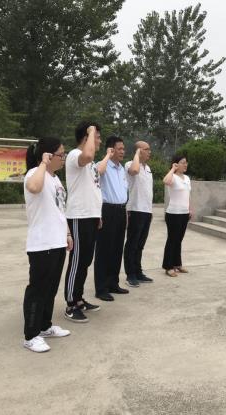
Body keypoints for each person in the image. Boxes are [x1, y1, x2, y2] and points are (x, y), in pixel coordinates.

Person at [22, 137, 72, 352]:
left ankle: (44, 326)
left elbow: (60, 208)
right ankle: (30, 335)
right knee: (38, 289)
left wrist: (67, 233)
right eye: (61, 154)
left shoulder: (56, 179)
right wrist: (42, 163)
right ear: (49, 155)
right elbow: (34, 187)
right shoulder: (35, 173)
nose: (64, 158)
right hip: (42, 244)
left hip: (57, 242)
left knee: (50, 288)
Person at [63, 122, 103, 323]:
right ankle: (70, 304)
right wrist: (91, 130)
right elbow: (87, 155)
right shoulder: (74, 155)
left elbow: (94, 189)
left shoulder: (92, 164)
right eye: (97, 137)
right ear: (87, 137)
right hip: (79, 216)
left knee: (86, 261)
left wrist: (98, 214)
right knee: (77, 261)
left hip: (91, 216)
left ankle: (78, 299)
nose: (100, 141)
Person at [94, 136, 129, 301]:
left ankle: (113, 283)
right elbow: (98, 172)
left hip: (121, 210)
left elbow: (123, 191)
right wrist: (107, 156)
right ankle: (101, 288)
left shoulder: (121, 169)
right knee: (104, 250)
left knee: (117, 249)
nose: (123, 151)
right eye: (119, 148)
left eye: (123, 149)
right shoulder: (103, 165)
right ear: (111, 149)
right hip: (107, 210)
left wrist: (125, 211)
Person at [124, 141, 154, 286]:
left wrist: (151, 211)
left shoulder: (148, 168)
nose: (150, 152)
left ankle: (138, 272)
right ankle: (130, 275)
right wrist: (136, 154)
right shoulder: (130, 164)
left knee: (140, 244)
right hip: (135, 210)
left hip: (146, 211)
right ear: (139, 151)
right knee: (132, 244)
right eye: (146, 149)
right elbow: (134, 171)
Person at [162, 154, 192, 277]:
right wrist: (172, 169)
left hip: (184, 213)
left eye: (186, 162)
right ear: (176, 164)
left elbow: (188, 195)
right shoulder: (172, 177)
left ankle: (177, 264)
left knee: (179, 240)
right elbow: (165, 181)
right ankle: (168, 266)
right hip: (173, 213)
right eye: (183, 162)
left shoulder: (187, 178)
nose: (185, 164)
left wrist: (190, 209)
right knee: (172, 240)